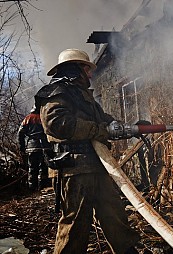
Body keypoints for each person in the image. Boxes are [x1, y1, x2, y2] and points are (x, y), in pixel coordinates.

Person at [35, 49, 140, 254]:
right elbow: (57, 124)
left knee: (114, 213)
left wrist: (131, 127)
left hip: (96, 164)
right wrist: (99, 130)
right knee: (76, 222)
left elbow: (103, 121)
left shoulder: (82, 95)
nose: (90, 74)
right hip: (75, 167)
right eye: (86, 68)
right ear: (74, 69)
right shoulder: (56, 93)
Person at [18, 104, 50, 191]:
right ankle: (42, 188)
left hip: (31, 147)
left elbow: (20, 134)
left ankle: (32, 189)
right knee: (43, 168)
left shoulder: (27, 119)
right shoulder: (44, 118)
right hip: (44, 146)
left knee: (32, 168)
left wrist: (22, 147)